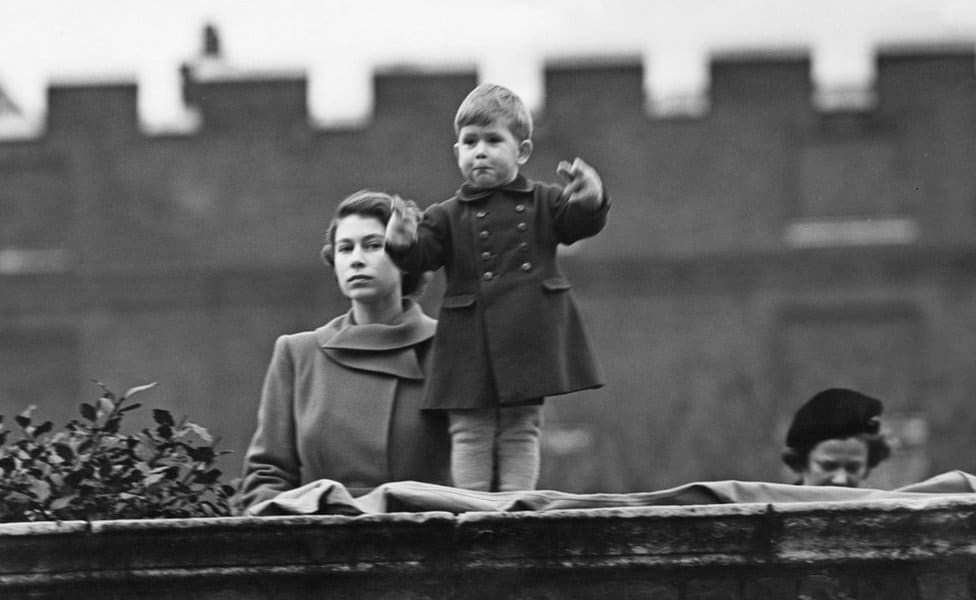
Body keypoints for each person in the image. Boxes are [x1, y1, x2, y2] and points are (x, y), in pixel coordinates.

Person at [384, 83, 609, 492]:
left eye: (493, 140)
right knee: (470, 428)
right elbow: (420, 259)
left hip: (528, 332)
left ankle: (515, 508)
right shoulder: (446, 215)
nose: (480, 151)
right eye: (470, 142)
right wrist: (401, 239)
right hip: (470, 337)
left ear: (521, 152)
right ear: (457, 153)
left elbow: (578, 225)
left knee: (521, 427)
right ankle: (473, 509)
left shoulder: (544, 201)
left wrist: (590, 199)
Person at [238, 190, 451, 512]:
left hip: (428, 545)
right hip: (322, 549)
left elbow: (482, 468)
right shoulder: (298, 354)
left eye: (374, 245)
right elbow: (266, 477)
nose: (356, 259)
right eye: (345, 248)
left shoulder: (450, 347)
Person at [782, 387, 892, 487]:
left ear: (866, 468)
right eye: (828, 466)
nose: (841, 480)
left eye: (853, 468)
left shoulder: (882, 508)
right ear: (801, 464)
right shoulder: (773, 507)